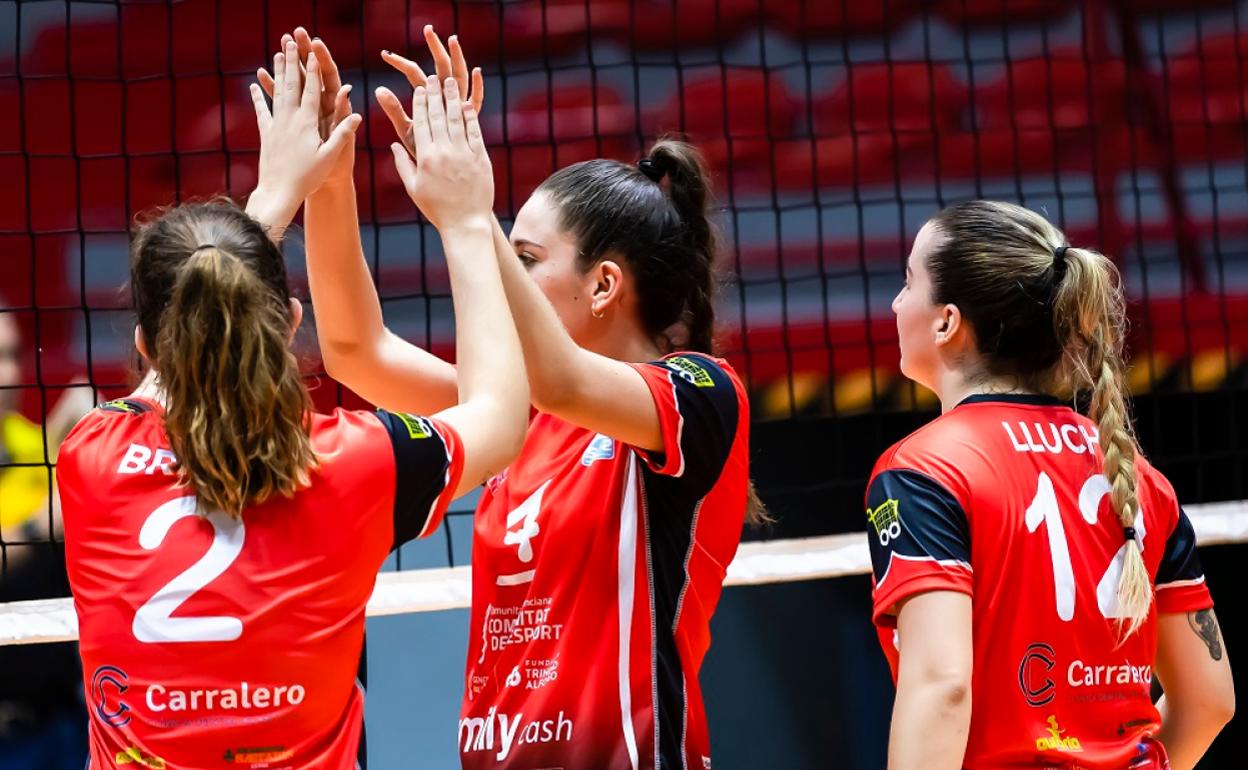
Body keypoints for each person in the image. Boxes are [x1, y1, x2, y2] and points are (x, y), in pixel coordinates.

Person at [284, 26, 760, 770]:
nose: (502, 266)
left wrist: (471, 220)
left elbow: (564, 376)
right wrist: (328, 181)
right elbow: (354, 349)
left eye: (526, 257)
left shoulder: (698, 395)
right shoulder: (518, 414)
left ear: (604, 285)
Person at [56, 36, 527, 770]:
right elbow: (502, 417)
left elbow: (192, 326)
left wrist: (281, 193)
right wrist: (466, 219)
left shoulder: (89, 456)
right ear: (291, 327)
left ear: (149, 344)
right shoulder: (357, 463)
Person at [866, 200, 1235, 770]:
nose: (894, 303)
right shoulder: (1140, 478)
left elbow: (942, 687)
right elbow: (1210, 700)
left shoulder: (923, 469)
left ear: (946, 321)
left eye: (908, 281)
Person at [0, 310, 93, 770]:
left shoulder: (31, 443)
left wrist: (87, 432)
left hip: (61, 724)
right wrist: (46, 520)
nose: (11, 372)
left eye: (14, 354)